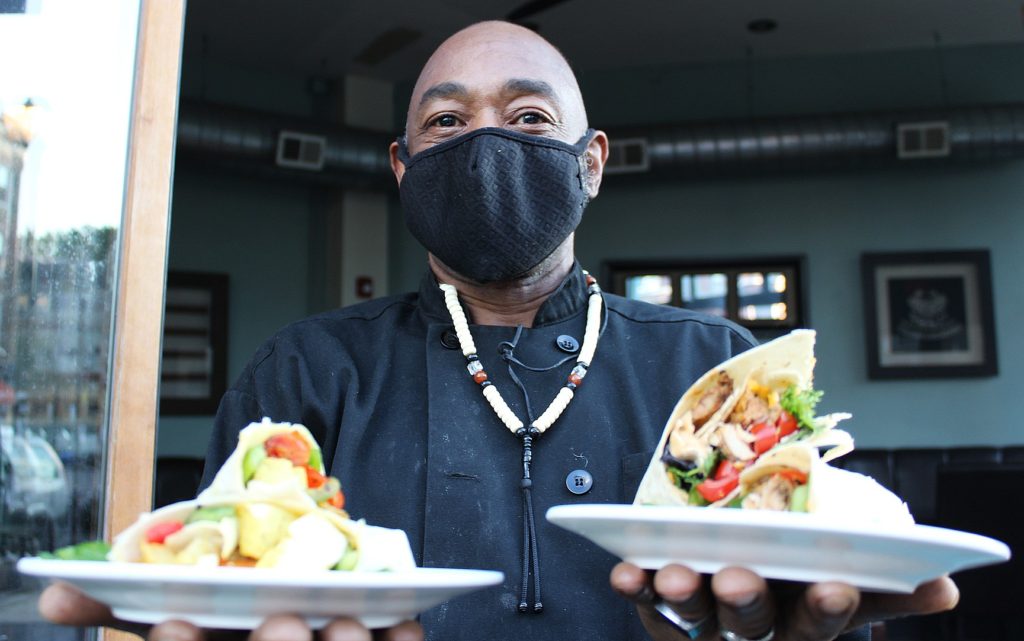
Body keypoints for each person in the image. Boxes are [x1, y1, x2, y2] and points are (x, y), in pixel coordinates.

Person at [40, 20, 958, 641]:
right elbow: (224, 575)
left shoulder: (716, 370)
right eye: (447, 121)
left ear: (589, 163)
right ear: (403, 168)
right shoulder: (307, 373)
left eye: (529, 118)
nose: (486, 143)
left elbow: (822, 579)